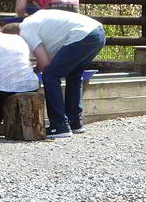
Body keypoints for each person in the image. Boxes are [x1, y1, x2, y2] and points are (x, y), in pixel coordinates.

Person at [19, 9, 105, 138]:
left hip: (82, 35)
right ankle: (75, 122)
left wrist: (32, 71)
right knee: (74, 76)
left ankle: (59, 125)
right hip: (97, 32)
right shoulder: (38, 22)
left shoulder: (25, 30)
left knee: (50, 77)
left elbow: (45, 64)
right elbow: (50, 60)